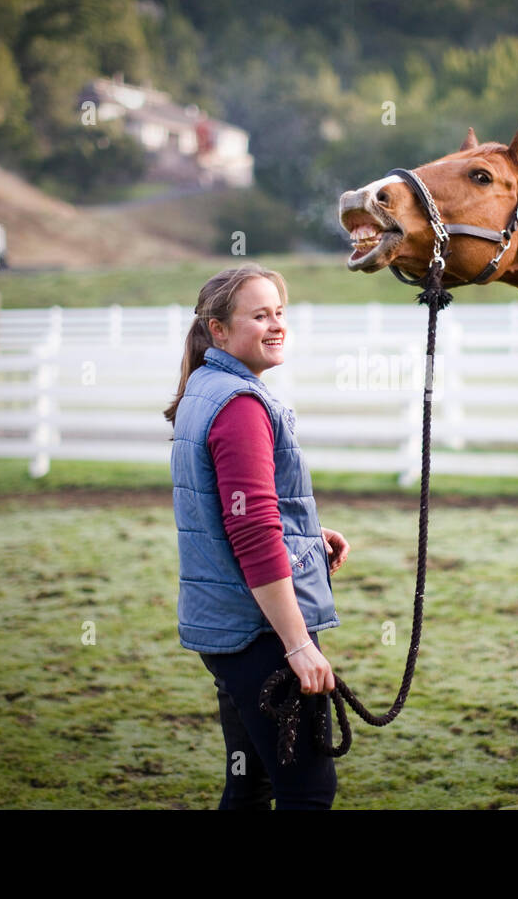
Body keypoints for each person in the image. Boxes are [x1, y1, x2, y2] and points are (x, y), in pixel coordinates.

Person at [164, 262, 351, 810]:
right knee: (308, 792)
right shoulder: (240, 405)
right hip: (259, 631)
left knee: (251, 783)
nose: (276, 325)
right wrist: (297, 645)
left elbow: (238, 512)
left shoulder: (207, 387)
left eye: (280, 312)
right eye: (259, 315)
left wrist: (307, 536)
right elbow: (251, 535)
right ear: (218, 330)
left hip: (226, 625)